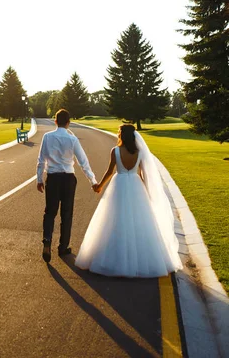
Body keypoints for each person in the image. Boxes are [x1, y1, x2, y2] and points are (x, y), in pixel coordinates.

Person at [75, 124, 182, 278]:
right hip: (136, 186)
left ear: (121, 135)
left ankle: (115, 259)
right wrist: (147, 192)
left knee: (114, 220)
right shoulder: (140, 153)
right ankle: (141, 260)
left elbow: (109, 172)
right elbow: (145, 175)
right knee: (139, 222)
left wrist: (99, 186)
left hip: (118, 186)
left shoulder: (115, 151)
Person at [37, 108, 98, 263]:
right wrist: (93, 181)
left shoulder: (47, 137)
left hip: (53, 178)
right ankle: (63, 247)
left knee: (50, 212)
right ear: (68, 123)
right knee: (67, 213)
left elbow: (41, 159)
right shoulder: (72, 139)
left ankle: (47, 240)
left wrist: (39, 179)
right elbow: (83, 162)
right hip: (68, 179)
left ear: (55, 121)